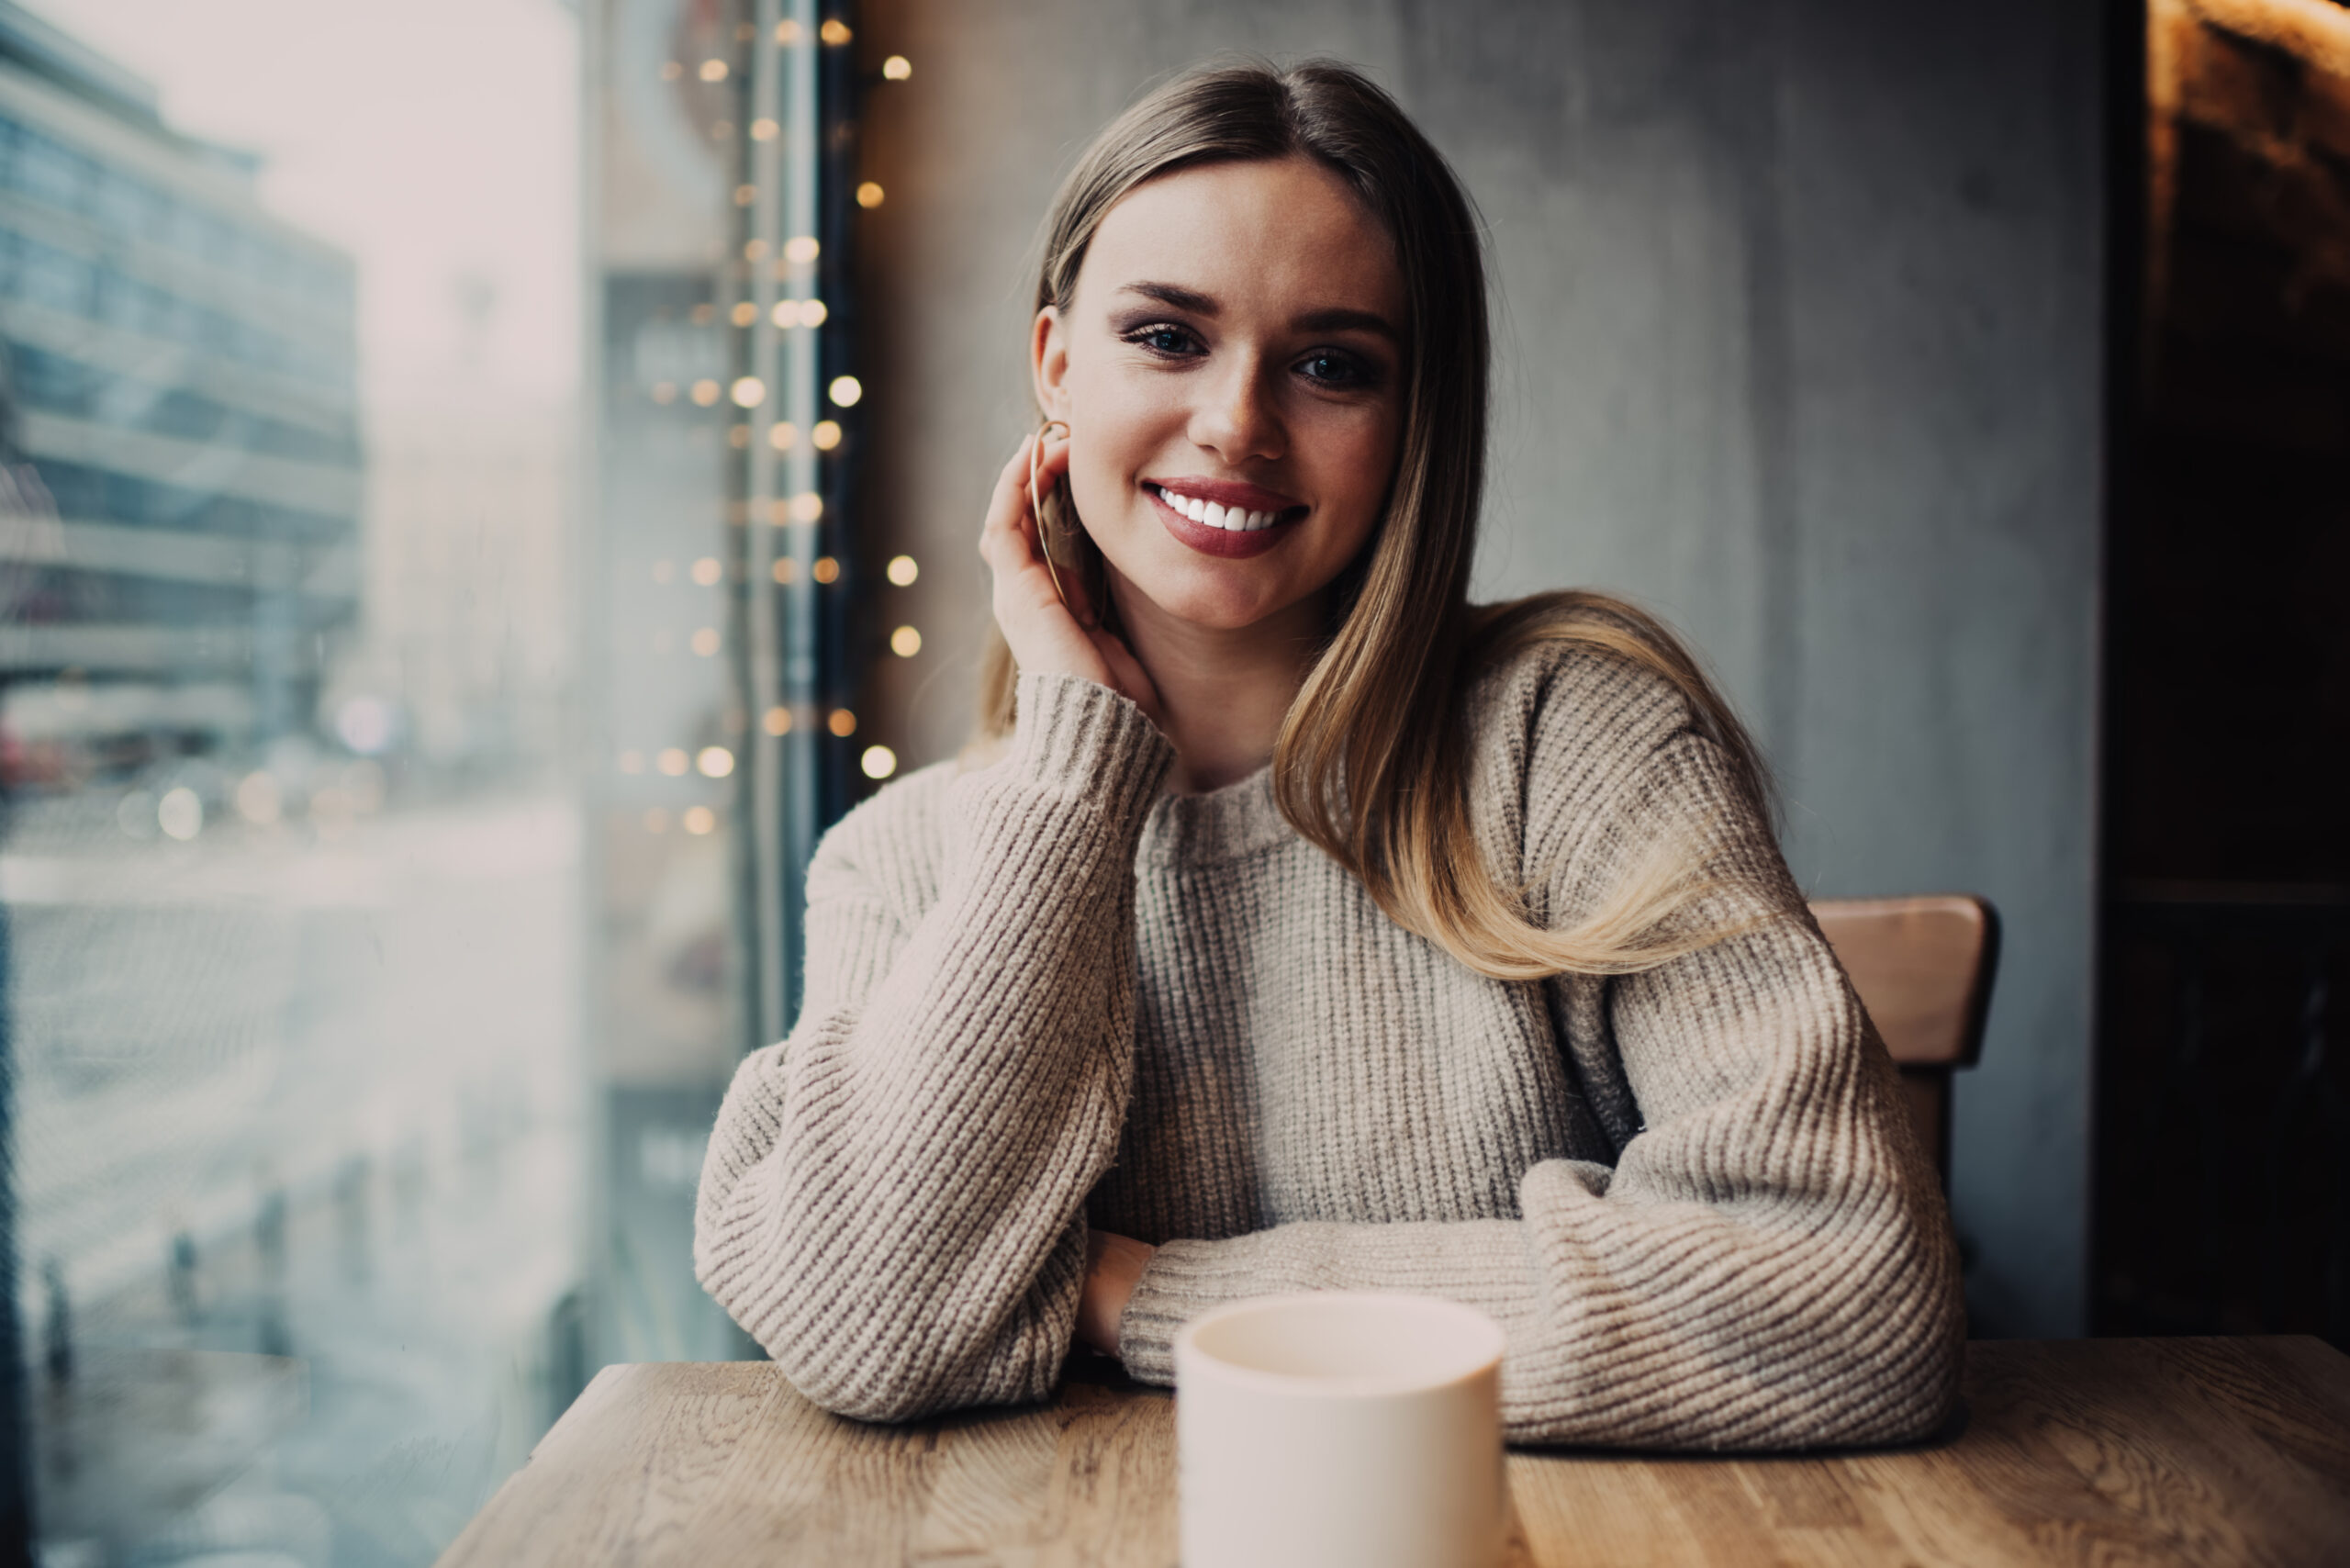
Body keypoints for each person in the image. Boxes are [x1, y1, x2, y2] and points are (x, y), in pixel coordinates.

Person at [694, 59, 1963, 1449]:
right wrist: (1070, 775)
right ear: (1057, 365)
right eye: (1168, 338)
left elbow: (1855, 1298)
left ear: (1414, 420)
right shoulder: (908, 856)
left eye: (1330, 366)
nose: (1238, 422)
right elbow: (867, 1322)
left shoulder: (1569, 740)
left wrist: (1146, 1295)